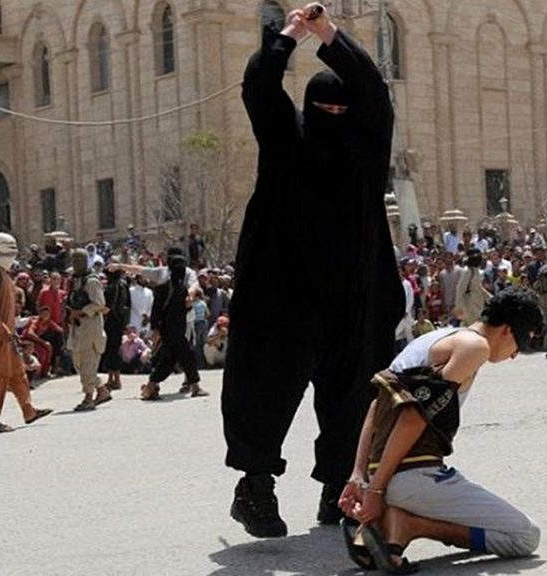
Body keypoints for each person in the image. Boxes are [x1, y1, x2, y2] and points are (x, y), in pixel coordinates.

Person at [223, 4, 404, 538]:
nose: (334, 115)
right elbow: (260, 86)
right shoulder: (286, 140)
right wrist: (288, 36)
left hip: (352, 296)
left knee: (353, 396)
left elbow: (372, 91)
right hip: (281, 294)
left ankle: (338, 490)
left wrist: (329, 35)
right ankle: (255, 489)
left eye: (342, 108)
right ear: (308, 107)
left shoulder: (367, 148)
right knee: (264, 388)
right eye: (324, 107)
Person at [338, 288, 543, 572]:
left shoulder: (433, 338)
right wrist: (375, 491)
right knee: (525, 537)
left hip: (384, 470)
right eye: (522, 342)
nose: (515, 355)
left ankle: (389, 530)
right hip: (412, 475)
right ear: (507, 330)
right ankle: (410, 525)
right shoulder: (475, 347)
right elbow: (414, 417)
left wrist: (359, 475)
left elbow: (377, 406)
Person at [0, 233, 53, 433]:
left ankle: (28, 410)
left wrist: (11, 330)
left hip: (8, 335)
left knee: (18, 373)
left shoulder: (2, 273)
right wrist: (1, 329)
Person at [142, 250, 207, 400]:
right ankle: (152, 387)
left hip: (176, 329)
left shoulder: (180, 289)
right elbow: (156, 310)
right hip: (171, 330)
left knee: (173, 359)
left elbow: (179, 309)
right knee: (182, 357)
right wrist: (155, 330)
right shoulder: (167, 288)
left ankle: (152, 386)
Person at [66, 249, 112, 412]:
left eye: (80, 260)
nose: (77, 263)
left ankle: (88, 398)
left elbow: (99, 303)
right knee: (78, 363)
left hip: (90, 327)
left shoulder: (92, 281)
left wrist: (81, 311)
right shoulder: (75, 280)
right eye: (74, 260)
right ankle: (102, 390)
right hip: (77, 327)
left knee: (88, 362)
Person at [102, 265, 130, 390]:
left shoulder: (111, 287)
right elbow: (128, 305)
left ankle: (112, 379)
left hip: (111, 321)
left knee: (110, 350)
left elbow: (107, 307)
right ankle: (115, 378)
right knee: (116, 349)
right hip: (120, 321)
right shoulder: (124, 285)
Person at [455, 249, 491, 326]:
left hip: (478, 304)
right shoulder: (467, 271)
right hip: (470, 306)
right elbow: (460, 290)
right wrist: (460, 308)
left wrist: (490, 298)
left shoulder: (476, 270)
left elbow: (478, 287)